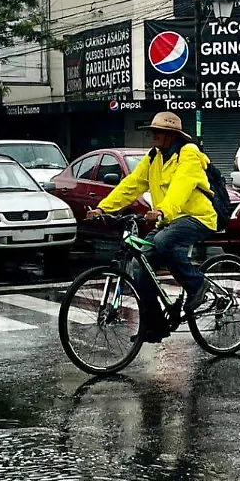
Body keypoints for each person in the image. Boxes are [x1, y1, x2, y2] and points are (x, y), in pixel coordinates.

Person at [87, 112, 216, 342]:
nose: (153, 135)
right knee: (139, 264)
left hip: (196, 217)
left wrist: (162, 211)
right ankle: (155, 324)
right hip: (168, 219)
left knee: (162, 242)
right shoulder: (153, 158)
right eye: (152, 131)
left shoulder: (188, 155)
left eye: (158, 132)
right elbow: (131, 185)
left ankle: (198, 285)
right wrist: (103, 209)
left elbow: (181, 187)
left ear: (171, 135)